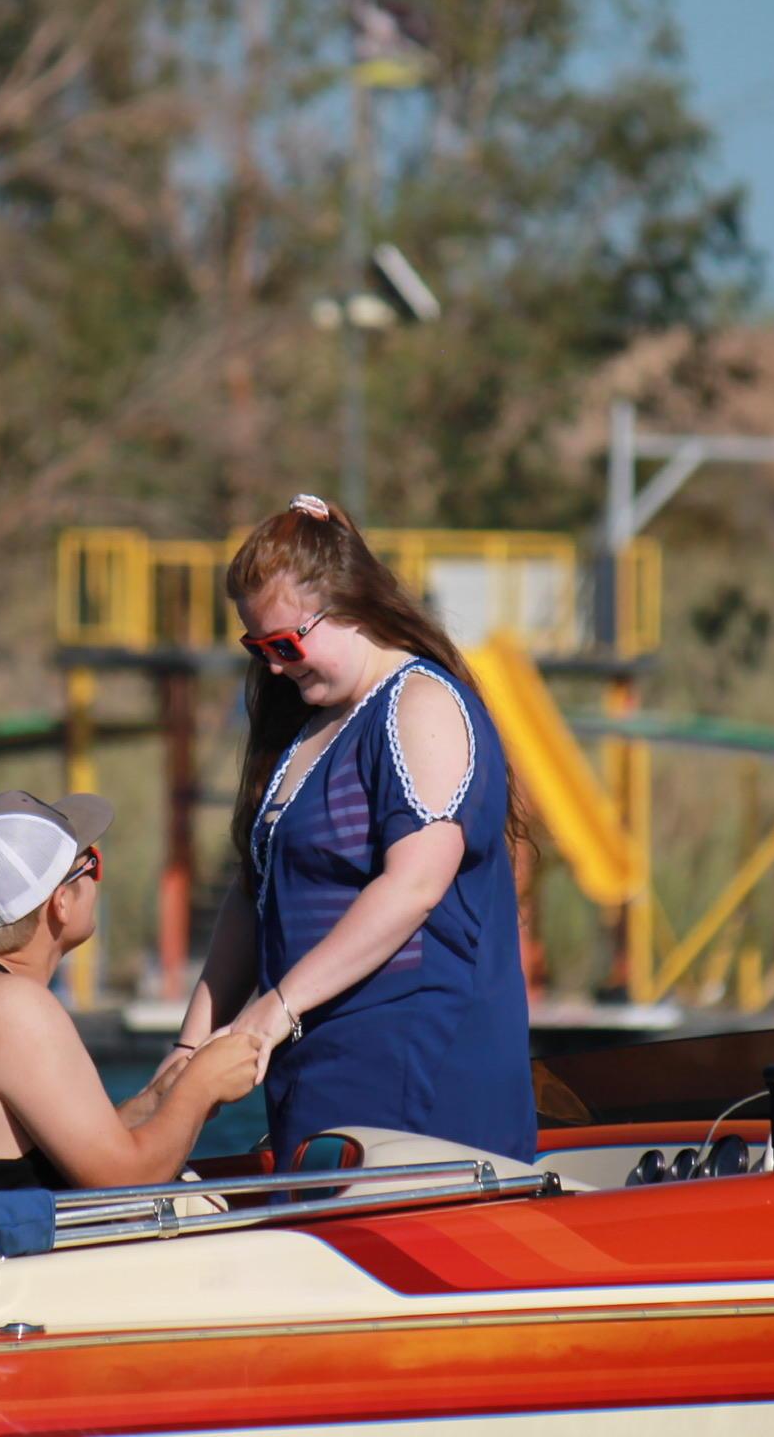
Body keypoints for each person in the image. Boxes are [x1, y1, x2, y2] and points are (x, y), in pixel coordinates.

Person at [166, 494, 536, 1170]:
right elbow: (255, 897)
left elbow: (415, 885)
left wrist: (274, 1009)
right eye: (258, 647)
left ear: (348, 607)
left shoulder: (419, 704)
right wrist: (190, 1054)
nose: (274, 665)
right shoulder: (302, 729)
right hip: (319, 1081)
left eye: (285, 643)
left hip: (419, 1085)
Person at [0, 789, 261, 1191]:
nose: (98, 879)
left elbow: (6, 1156)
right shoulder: (9, 1008)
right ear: (60, 903)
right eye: (90, 865)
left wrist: (156, 1101)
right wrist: (201, 1086)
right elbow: (122, 1178)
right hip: (0, 1256)